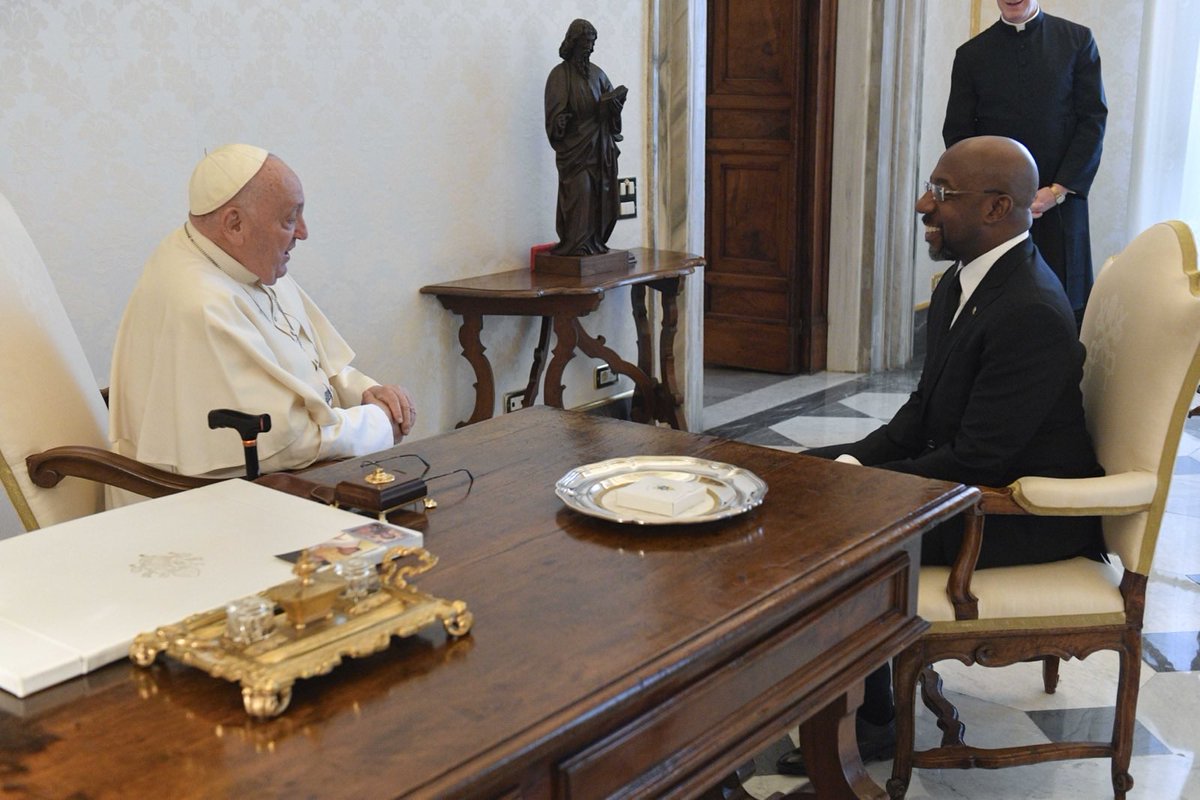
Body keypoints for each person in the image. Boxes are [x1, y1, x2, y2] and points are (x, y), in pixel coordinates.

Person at [776, 135, 1105, 776]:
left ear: (996, 208)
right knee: (798, 491)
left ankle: (868, 723)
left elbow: (977, 462)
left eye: (942, 193)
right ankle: (821, 688)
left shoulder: (1030, 311)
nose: (926, 204)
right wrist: (830, 466)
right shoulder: (962, 283)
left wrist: (854, 495)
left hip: (1023, 515)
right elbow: (918, 421)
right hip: (976, 481)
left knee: (836, 534)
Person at [108, 144, 415, 502]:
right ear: (234, 223)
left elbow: (311, 361)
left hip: (272, 487)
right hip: (205, 506)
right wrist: (376, 423)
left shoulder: (238, 258)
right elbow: (280, 441)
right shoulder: (200, 302)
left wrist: (362, 390)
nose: (303, 232)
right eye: (289, 219)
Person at [943, 0, 1106, 324]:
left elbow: (1092, 122)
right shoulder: (971, 55)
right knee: (995, 309)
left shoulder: (1077, 41)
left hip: (1060, 203)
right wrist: (994, 198)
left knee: (1062, 308)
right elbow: (960, 135)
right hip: (995, 210)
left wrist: (1056, 191)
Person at [544, 18, 627, 256]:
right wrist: (559, 123)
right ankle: (576, 244)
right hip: (576, 151)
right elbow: (554, 116)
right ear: (573, 42)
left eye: (592, 43)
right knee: (581, 193)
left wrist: (615, 107)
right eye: (585, 43)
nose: (590, 48)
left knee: (600, 195)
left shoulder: (598, 74)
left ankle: (595, 242)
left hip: (600, 148)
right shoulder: (560, 75)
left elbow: (612, 112)